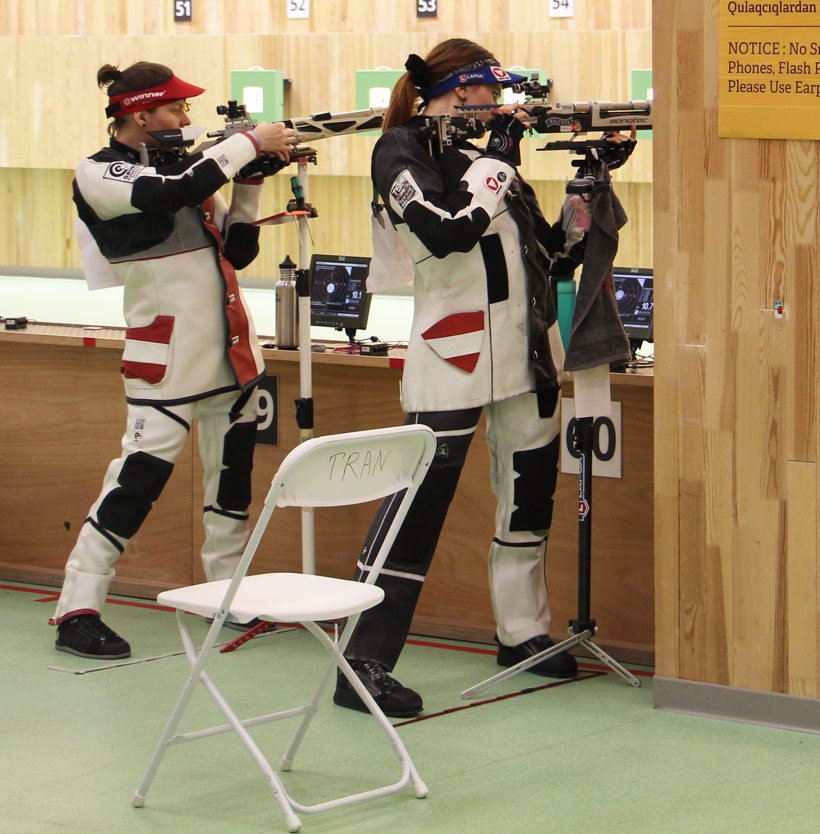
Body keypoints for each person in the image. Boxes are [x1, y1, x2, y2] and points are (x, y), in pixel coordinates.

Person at [336, 38, 610, 717]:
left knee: (528, 498)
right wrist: (501, 157)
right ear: (462, 90)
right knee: (415, 511)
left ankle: (524, 635)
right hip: (453, 355)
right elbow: (448, 228)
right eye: (492, 92)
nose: (500, 105)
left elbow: (553, 253)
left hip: (525, 351)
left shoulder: (487, 161)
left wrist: (588, 187)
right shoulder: (400, 150)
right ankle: (360, 661)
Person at [57, 62, 295, 658]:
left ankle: (228, 592)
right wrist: (246, 144)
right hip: (165, 359)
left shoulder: (189, 172)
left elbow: (237, 250)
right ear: (140, 114)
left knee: (232, 484)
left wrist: (251, 181)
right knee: (135, 483)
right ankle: (76, 607)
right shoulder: (100, 172)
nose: (187, 119)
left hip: (232, 356)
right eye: (176, 109)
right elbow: (167, 195)